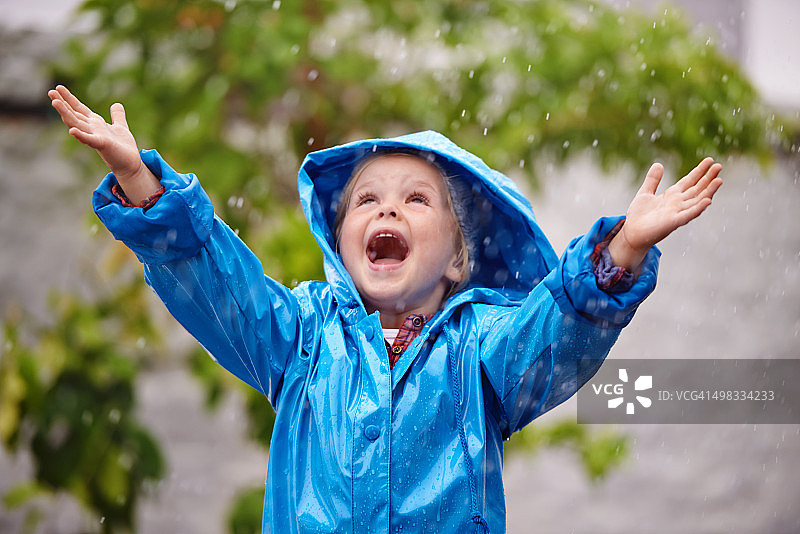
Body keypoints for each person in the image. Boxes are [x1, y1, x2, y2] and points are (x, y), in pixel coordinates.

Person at [48, 84, 722, 533]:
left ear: (457, 261)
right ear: (340, 247)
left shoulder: (480, 350)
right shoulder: (301, 338)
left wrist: (624, 249)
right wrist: (140, 181)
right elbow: (218, 281)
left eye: (416, 200)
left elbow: (551, 336)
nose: (388, 207)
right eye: (367, 201)